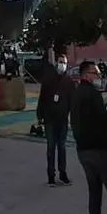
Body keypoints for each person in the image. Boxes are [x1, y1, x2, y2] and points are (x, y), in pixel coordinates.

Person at [70, 60, 107, 214]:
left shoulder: (76, 93)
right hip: (98, 150)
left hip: (82, 150)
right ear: (86, 75)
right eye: (96, 73)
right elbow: (104, 119)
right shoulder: (92, 94)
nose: (99, 76)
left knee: (95, 193)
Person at [36, 53, 74, 187]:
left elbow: (72, 101)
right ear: (56, 63)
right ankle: (51, 176)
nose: (62, 65)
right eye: (60, 62)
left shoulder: (69, 82)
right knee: (51, 147)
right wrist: (39, 116)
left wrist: (72, 118)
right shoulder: (48, 80)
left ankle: (63, 174)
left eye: (64, 62)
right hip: (49, 119)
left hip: (62, 119)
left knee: (62, 147)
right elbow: (42, 99)